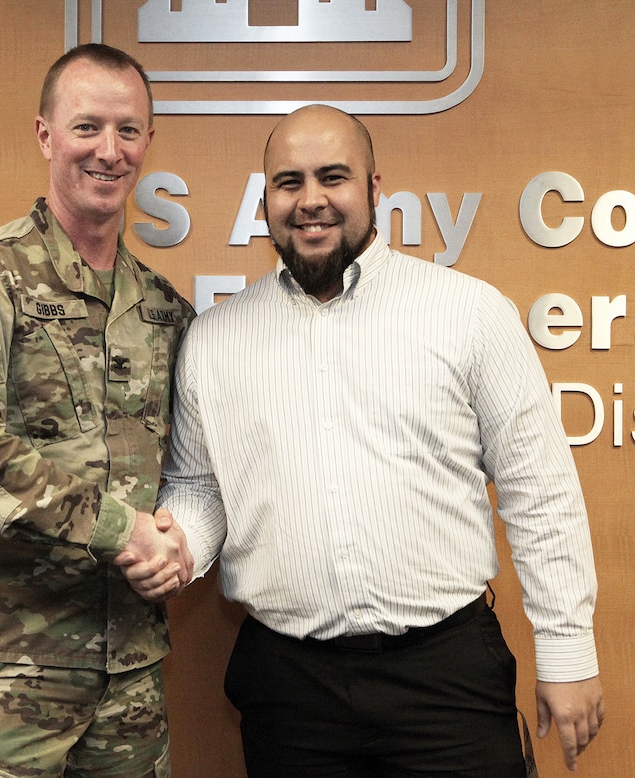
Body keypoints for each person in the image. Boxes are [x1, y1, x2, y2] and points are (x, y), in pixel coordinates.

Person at [119, 105, 605, 776]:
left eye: (333, 177)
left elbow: (539, 488)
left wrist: (568, 649)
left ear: (375, 189)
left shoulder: (468, 313)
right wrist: (178, 548)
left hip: (446, 681)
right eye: (288, 181)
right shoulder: (216, 340)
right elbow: (202, 488)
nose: (310, 199)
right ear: (265, 200)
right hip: (290, 690)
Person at [0, 43, 194, 778]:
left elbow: (195, 463)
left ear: (148, 142)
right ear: (45, 135)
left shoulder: (163, 309)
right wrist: (115, 526)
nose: (109, 150)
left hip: (126, 684)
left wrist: (184, 538)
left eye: (128, 130)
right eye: (87, 127)